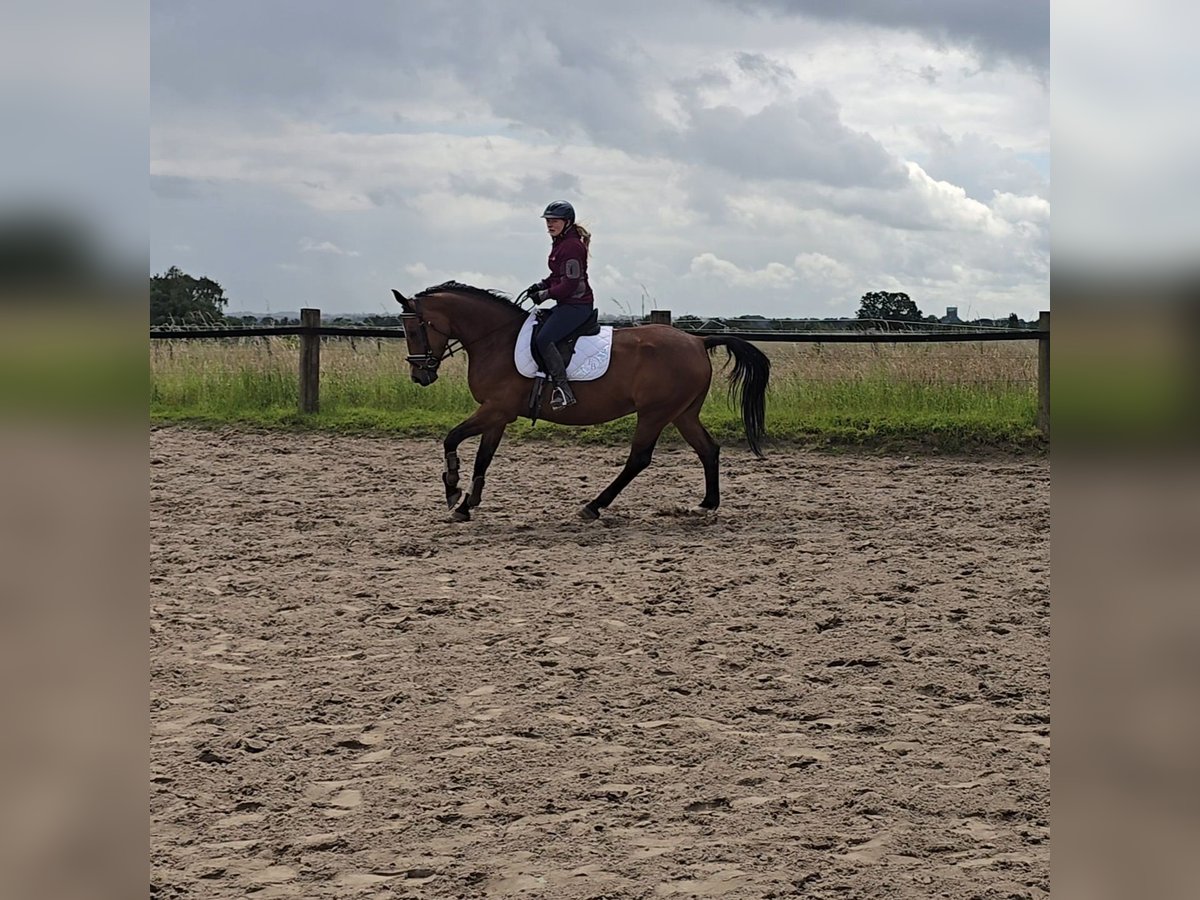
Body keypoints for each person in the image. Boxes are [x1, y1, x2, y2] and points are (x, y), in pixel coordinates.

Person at [522, 200, 594, 410]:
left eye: (554, 221)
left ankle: (563, 389)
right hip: (567, 304)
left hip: (577, 305)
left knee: (545, 338)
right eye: (548, 221)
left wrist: (545, 294)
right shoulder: (561, 242)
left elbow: (570, 284)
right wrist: (541, 284)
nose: (549, 225)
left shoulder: (571, 246)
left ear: (567, 222)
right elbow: (557, 275)